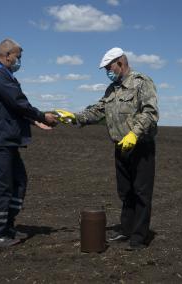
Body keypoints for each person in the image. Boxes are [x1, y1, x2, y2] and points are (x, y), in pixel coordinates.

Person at [56, 47, 159, 250]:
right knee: (125, 192)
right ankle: (126, 230)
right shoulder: (112, 89)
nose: (107, 72)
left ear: (121, 63)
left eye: (109, 67)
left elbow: (150, 112)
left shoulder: (141, 82)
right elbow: (98, 110)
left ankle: (139, 238)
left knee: (141, 193)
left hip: (140, 147)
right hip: (120, 147)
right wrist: (75, 117)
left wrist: (134, 134)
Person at [0, 38, 58, 248]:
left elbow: (10, 107)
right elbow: (18, 102)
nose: (19, 61)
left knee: (18, 181)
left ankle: (7, 226)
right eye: (18, 57)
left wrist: (33, 121)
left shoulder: (1, 73)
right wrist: (41, 116)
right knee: (2, 186)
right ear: (8, 55)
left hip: (4, 139)